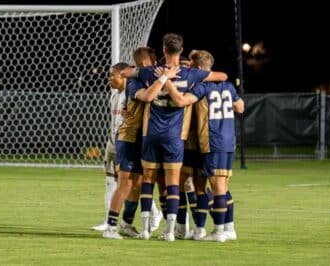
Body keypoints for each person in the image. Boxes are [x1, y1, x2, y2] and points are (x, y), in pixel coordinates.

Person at [134, 33, 228, 241]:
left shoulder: (151, 72)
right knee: (174, 182)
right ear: (181, 50)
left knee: (148, 180)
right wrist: (194, 72)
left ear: (164, 50)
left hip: (151, 133)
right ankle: (170, 232)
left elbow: (126, 72)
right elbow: (221, 76)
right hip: (176, 136)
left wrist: (158, 75)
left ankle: (146, 230)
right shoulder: (190, 74)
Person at [165, 50, 244, 242]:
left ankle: (218, 232)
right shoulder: (228, 85)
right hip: (228, 140)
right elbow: (240, 107)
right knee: (219, 185)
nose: (189, 69)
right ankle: (226, 228)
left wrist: (165, 81)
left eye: (192, 67)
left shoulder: (202, 87)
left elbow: (182, 101)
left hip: (211, 141)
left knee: (216, 187)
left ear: (199, 68)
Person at [103, 49, 181, 239]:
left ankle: (126, 224)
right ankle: (110, 228)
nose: (152, 66)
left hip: (141, 139)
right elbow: (147, 97)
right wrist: (164, 78)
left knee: (137, 184)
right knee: (125, 184)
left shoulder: (142, 78)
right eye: (148, 63)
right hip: (129, 138)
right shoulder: (134, 81)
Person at [92, 62, 128, 231]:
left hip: (126, 144)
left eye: (112, 75)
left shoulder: (131, 95)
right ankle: (108, 219)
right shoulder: (114, 95)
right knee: (109, 181)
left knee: (129, 183)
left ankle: (154, 213)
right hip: (112, 143)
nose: (109, 78)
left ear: (123, 76)